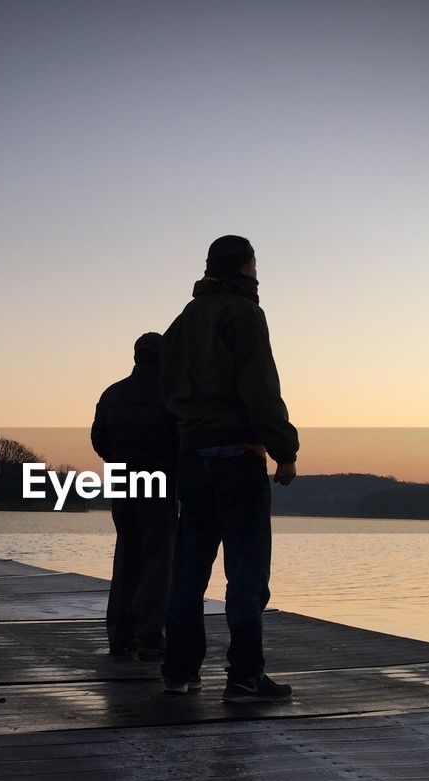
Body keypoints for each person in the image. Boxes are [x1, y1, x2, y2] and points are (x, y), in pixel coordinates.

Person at [160, 235, 299, 702]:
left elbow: (167, 388)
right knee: (245, 574)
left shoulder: (182, 320)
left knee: (188, 574)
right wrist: (285, 449)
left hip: (191, 457)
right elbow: (259, 387)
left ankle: (178, 673)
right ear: (244, 268)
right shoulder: (245, 314)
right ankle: (244, 678)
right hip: (238, 456)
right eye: (255, 266)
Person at [91, 332, 178, 660]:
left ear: (136, 356)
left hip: (123, 486)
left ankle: (119, 634)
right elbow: (180, 439)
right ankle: (150, 635)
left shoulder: (112, 394)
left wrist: (116, 460)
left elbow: (98, 437)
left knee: (126, 555)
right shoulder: (171, 394)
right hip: (159, 485)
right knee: (158, 560)